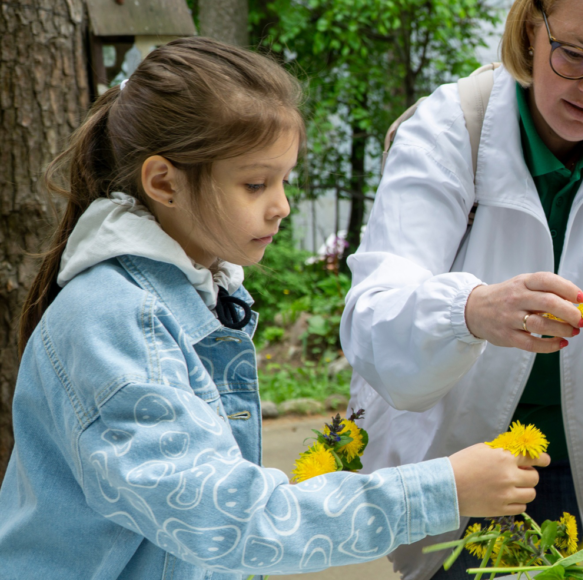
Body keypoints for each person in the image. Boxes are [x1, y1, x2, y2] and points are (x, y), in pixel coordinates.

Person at [0, 37, 548, 580]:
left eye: (284, 180)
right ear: (164, 182)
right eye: (256, 183)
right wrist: (441, 490)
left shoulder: (188, 294)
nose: (281, 206)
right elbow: (228, 519)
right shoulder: (118, 321)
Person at [340, 0, 583, 577]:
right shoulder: (450, 128)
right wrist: (471, 311)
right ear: (529, 28)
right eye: (574, 54)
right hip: (464, 460)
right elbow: (373, 317)